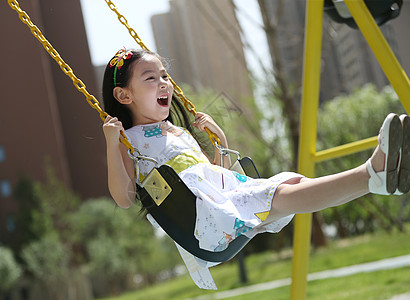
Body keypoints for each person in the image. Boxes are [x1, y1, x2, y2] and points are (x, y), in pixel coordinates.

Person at [102, 48, 409, 288]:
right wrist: (110, 144)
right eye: (150, 77)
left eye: (165, 75)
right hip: (202, 223)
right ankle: (372, 172)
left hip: (221, 202)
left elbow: (215, 176)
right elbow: (124, 197)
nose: (163, 83)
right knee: (282, 194)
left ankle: (376, 179)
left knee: (293, 181)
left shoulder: (179, 133)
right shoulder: (128, 143)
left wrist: (219, 138)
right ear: (124, 95)